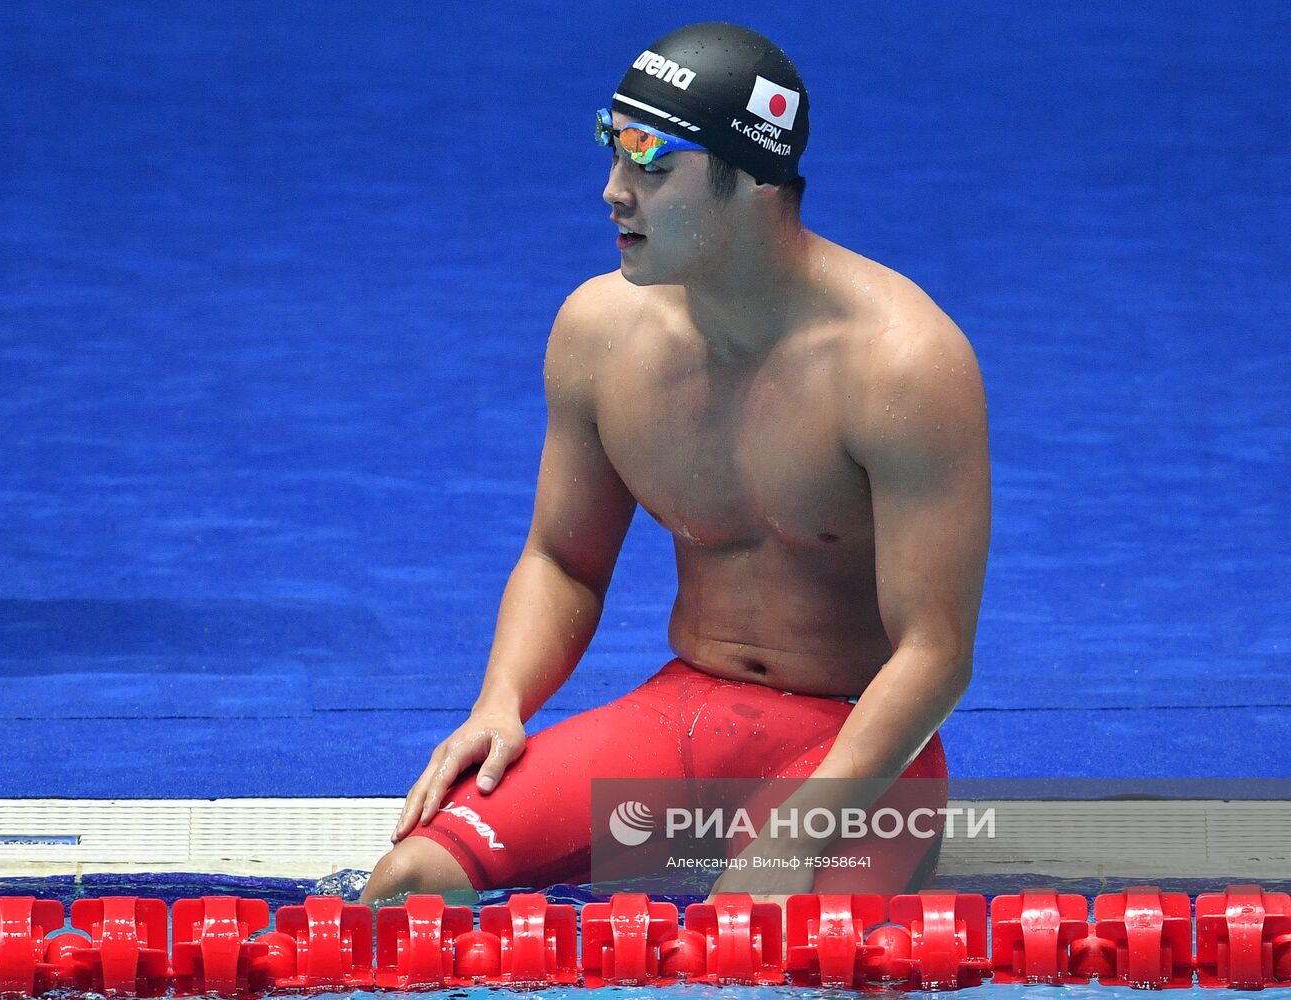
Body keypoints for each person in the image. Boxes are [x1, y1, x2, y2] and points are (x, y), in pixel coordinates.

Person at [361, 22, 989, 904]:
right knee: (407, 885)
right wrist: (498, 703)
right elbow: (562, 560)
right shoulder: (600, 332)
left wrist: (804, 825)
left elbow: (936, 652)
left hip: (858, 755)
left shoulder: (902, 366)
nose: (614, 193)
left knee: (752, 948)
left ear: (756, 181)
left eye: (652, 166)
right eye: (613, 152)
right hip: (681, 719)